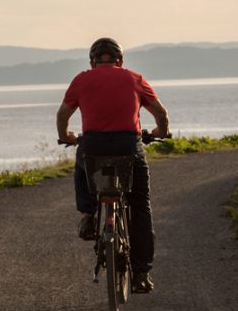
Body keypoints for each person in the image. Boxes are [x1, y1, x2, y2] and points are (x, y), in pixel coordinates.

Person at [56, 37, 171, 293]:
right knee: (140, 206)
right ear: (121, 60)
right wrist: (160, 132)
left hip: (93, 146)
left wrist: (67, 137)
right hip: (129, 147)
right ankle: (141, 274)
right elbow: (161, 115)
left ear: (92, 61)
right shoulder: (134, 78)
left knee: (82, 166)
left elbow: (63, 115)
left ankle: (88, 213)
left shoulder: (81, 80)